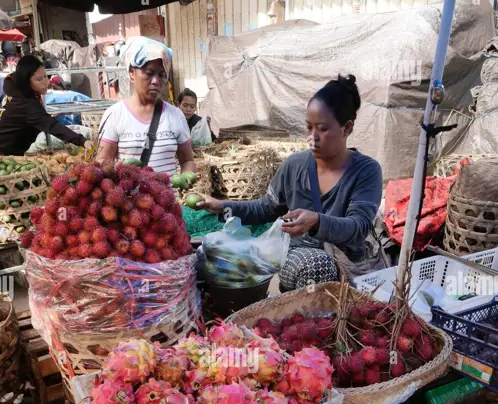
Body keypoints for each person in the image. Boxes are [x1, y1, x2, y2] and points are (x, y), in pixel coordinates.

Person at [197, 75, 383, 291]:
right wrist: (223, 206)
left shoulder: (366, 171)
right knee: (316, 265)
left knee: (322, 266)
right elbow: (266, 208)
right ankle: (304, 317)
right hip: (298, 257)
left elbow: (359, 226)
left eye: (322, 129)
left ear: (347, 128)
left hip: (348, 261)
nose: (312, 137)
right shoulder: (295, 166)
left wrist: (317, 221)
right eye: (308, 127)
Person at [97, 37, 195, 177]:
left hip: (168, 198)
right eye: (149, 73)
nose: (155, 81)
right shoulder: (115, 115)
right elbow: (102, 161)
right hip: (129, 198)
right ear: (131, 73)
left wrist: (187, 179)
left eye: (161, 75)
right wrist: (120, 171)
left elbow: (187, 161)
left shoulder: (176, 115)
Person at [0, 55, 93, 156]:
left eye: (45, 76)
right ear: (26, 81)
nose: (46, 82)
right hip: (3, 143)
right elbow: (52, 126)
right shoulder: (27, 105)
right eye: (39, 79)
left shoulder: (15, 84)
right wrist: (82, 141)